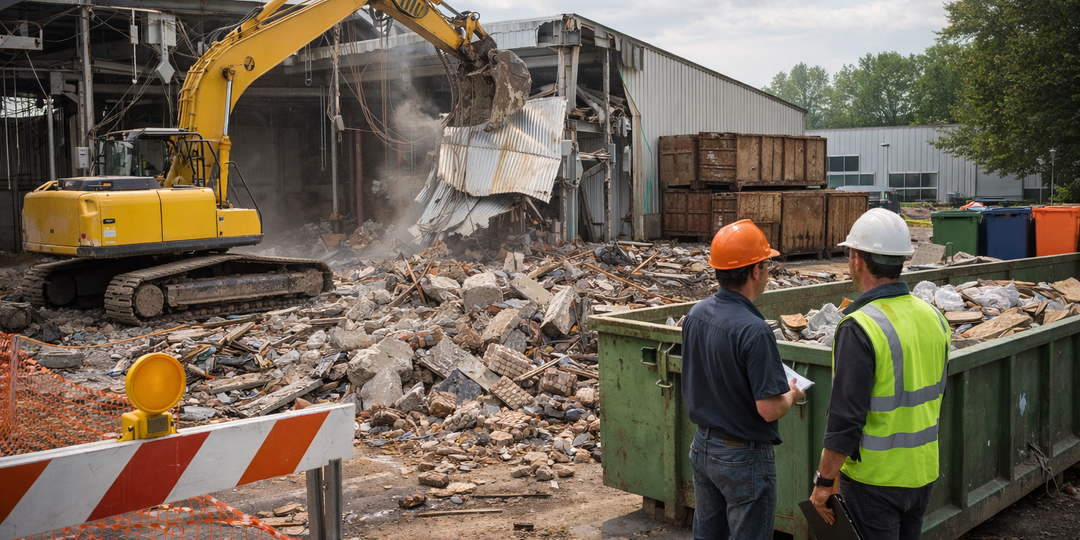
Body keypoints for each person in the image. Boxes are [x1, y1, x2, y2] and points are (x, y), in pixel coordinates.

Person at [809, 208, 950, 540]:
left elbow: (845, 419)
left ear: (858, 259)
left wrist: (824, 483)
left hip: (876, 481)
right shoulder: (934, 317)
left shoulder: (859, 326)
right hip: (922, 473)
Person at [682, 219, 805, 540]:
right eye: (766, 265)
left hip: (703, 448)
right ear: (754, 271)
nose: (767, 272)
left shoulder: (696, 314)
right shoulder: (755, 330)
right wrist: (791, 395)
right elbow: (768, 409)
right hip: (742, 456)